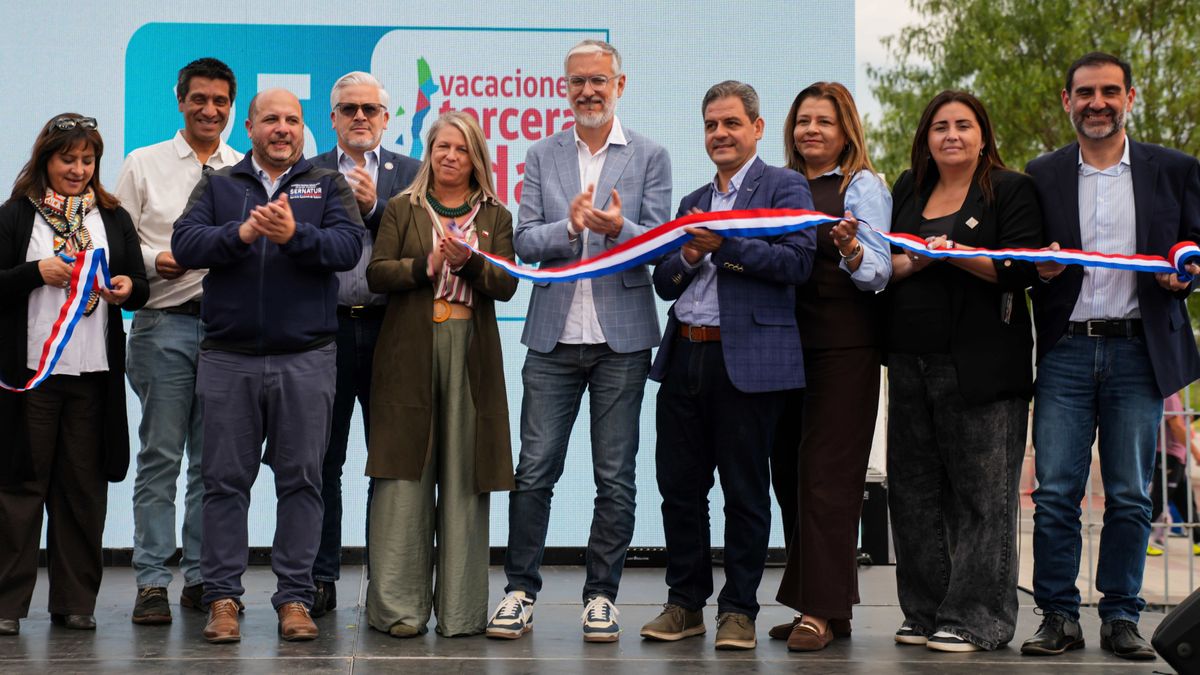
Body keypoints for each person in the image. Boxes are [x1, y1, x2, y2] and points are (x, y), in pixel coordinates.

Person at [487, 39, 671, 643]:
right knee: (534, 471)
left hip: (622, 339)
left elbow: (661, 244)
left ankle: (602, 597)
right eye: (577, 82)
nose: (588, 91)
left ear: (621, 84)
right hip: (553, 338)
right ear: (564, 89)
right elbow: (524, 243)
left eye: (599, 81)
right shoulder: (542, 155)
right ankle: (519, 590)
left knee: (614, 476)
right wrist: (569, 226)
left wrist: (620, 228)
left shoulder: (650, 155)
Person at [1021, 52, 1200, 661]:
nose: (1097, 102)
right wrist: (1040, 269)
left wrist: (1186, 274)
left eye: (1109, 92)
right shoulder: (1040, 174)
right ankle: (1057, 616)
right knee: (1055, 495)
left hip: (1138, 353)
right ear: (1066, 99)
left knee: (1129, 495)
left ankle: (1122, 616)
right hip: (1067, 351)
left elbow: (1194, 244)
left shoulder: (1174, 169)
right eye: (1085, 92)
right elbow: (1026, 261)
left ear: (1130, 96)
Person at [172, 88, 364, 644]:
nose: (283, 128)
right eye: (271, 119)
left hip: (306, 358)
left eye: (292, 120)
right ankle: (223, 599)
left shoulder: (326, 183)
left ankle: (296, 599)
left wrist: (294, 236)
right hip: (230, 358)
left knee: (303, 481)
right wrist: (243, 233)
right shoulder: (220, 184)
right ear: (249, 127)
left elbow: (348, 247)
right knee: (224, 483)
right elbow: (185, 244)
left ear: (304, 129)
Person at [639, 80, 816, 651]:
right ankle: (685, 604)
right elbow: (664, 282)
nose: (720, 134)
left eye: (732, 123)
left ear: (757, 129)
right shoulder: (692, 200)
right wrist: (689, 253)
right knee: (678, 489)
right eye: (712, 124)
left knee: (744, 491)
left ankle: (738, 610)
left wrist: (724, 246)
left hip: (749, 362)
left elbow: (798, 263)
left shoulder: (785, 186)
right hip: (684, 353)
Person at [884, 90, 1042, 653]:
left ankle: (978, 619)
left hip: (980, 366)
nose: (951, 135)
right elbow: (889, 264)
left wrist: (954, 254)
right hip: (907, 361)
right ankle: (924, 611)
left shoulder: (1011, 189)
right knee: (914, 494)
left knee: (983, 498)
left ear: (983, 135)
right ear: (925, 137)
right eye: (940, 126)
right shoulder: (907, 188)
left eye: (963, 125)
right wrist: (918, 260)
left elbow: (1021, 268)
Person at [364, 111, 517, 638]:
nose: (450, 156)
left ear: (477, 158)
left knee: (464, 481)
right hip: (409, 349)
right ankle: (398, 611)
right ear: (429, 152)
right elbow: (377, 273)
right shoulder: (401, 208)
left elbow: (506, 283)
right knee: (404, 477)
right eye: (441, 147)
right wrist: (425, 266)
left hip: (470, 353)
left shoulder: (496, 215)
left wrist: (469, 262)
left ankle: (461, 613)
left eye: (461, 148)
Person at [0, 113, 149, 636]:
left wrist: (127, 287)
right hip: (31, 377)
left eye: (88, 160)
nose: (79, 169)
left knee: (82, 490)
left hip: (92, 376)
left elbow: (138, 283)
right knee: (20, 489)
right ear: (46, 159)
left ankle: (75, 602)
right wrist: (33, 273)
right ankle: (7, 606)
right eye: (69, 159)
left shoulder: (111, 216)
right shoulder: (16, 215)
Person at [115, 57, 242, 625]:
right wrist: (154, 258)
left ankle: (200, 577)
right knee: (161, 458)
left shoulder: (243, 170)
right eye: (199, 100)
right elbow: (114, 244)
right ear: (180, 100)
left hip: (227, 335)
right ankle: (150, 581)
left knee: (211, 466)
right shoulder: (142, 163)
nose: (209, 110)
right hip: (163, 324)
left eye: (220, 101)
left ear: (231, 106)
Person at [767, 81, 892, 651]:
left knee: (826, 477)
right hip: (784, 347)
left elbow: (879, 273)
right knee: (789, 477)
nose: (810, 130)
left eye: (824, 121)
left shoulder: (861, 185)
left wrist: (851, 250)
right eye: (802, 121)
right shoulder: (779, 187)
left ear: (846, 131)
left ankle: (818, 609)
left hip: (845, 347)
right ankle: (825, 605)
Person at [308, 71, 420, 618]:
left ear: (386, 118)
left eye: (370, 109)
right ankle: (320, 577)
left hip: (390, 332)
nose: (359, 117)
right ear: (331, 119)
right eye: (348, 108)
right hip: (323, 330)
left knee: (389, 461)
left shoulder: (414, 174)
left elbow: (421, 243)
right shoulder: (308, 175)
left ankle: (388, 581)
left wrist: (377, 208)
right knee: (322, 461)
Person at [1146, 392, 1200, 556]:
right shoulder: (1169, 396)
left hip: (1177, 459)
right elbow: (1176, 427)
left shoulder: (1174, 397)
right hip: (1168, 457)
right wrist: (1196, 452)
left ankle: (1198, 541)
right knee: (1158, 500)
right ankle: (1141, 540)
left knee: (1187, 503)